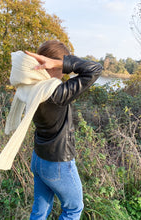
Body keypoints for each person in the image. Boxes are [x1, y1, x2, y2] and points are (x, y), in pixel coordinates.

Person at [25, 40, 103, 220]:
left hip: (38, 158)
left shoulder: (32, 87)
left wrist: (59, 63)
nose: (65, 71)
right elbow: (95, 69)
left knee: (40, 210)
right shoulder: (57, 93)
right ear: (51, 64)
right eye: (63, 64)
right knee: (74, 210)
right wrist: (61, 62)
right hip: (57, 163)